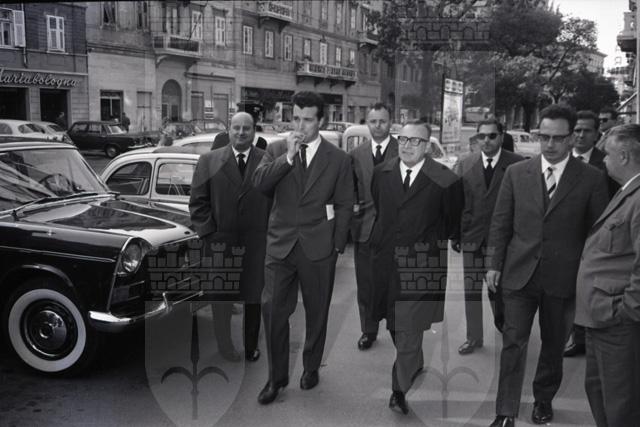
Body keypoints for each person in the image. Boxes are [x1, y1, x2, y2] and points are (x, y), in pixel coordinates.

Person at [485, 104, 609, 427]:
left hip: (563, 278)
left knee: (553, 345)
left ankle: (543, 399)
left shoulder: (592, 179)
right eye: (544, 137)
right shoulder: (517, 173)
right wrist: (493, 264)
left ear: (571, 138)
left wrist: (588, 277)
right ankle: (506, 411)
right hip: (518, 275)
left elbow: (596, 233)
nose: (549, 144)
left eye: (557, 138)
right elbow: (500, 222)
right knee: (513, 342)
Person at [252, 91, 353, 405]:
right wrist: (288, 158)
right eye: (295, 118)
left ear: (321, 121)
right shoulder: (277, 149)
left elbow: (345, 204)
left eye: (307, 120)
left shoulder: (339, 159)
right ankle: (276, 378)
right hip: (280, 245)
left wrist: (336, 245)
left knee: (317, 312)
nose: (300, 125)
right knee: (273, 311)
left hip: (319, 247)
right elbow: (259, 183)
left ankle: (311, 367)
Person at [370, 119, 463, 415]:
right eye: (403, 139)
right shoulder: (381, 173)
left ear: (428, 146)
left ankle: (398, 390)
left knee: (408, 330)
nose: (408, 146)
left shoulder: (446, 180)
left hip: (422, 265)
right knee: (395, 325)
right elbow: (381, 208)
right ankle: (412, 360)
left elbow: (452, 223)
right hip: (386, 262)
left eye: (416, 141)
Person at [189, 112, 272, 363]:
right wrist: (210, 235)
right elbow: (198, 203)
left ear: (254, 131)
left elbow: (275, 201)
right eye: (236, 128)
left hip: (256, 244)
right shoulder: (209, 160)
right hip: (221, 244)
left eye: (246, 128)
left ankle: (251, 347)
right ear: (229, 131)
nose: (241, 133)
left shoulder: (266, 159)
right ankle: (225, 346)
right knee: (222, 299)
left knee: (254, 297)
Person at [575, 124, 640, 427]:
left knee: (620, 404)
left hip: (617, 320)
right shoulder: (628, 192)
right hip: (601, 316)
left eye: (609, 154)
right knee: (600, 393)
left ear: (624, 156)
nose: (604, 160)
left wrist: (627, 311)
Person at [453, 119, 524, 355]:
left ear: (501, 137)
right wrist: (456, 235)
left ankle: (506, 330)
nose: (486, 140)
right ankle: (473, 337)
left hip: (505, 242)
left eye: (492, 136)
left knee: (500, 292)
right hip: (472, 238)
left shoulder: (517, 164)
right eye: (481, 136)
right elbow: (457, 202)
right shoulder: (465, 163)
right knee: (471, 292)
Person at [564, 110, 619, 358]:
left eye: (586, 130)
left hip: (595, 238)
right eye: (576, 130)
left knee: (586, 289)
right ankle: (570, 333)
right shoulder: (561, 159)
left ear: (597, 134)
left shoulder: (607, 162)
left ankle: (581, 338)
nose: (580, 135)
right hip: (564, 238)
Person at [349, 102, 399, 351]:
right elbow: (350, 191)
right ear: (366, 123)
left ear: (391, 122)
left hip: (396, 232)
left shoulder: (404, 149)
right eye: (373, 121)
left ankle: (398, 331)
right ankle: (368, 330)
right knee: (366, 285)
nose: (378, 126)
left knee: (395, 285)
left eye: (382, 121)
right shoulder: (356, 154)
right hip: (365, 230)